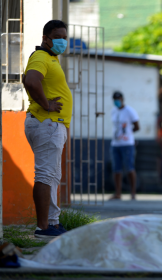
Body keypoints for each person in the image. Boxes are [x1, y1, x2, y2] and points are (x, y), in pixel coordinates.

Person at [23, 20, 72, 238]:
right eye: (58, 36)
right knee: (44, 174)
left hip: (52, 124)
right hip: (47, 122)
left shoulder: (51, 58)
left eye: (64, 37)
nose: (62, 41)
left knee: (52, 176)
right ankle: (43, 227)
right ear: (46, 38)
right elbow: (31, 81)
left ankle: (52, 223)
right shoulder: (41, 57)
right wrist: (47, 105)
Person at [111, 91, 140, 200]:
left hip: (127, 144)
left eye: (118, 99)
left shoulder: (130, 111)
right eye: (115, 99)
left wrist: (127, 134)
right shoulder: (113, 111)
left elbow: (137, 126)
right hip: (115, 143)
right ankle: (118, 193)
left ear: (122, 99)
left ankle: (133, 192)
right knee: (116, 169)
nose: (117, 101)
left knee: (129, 167)